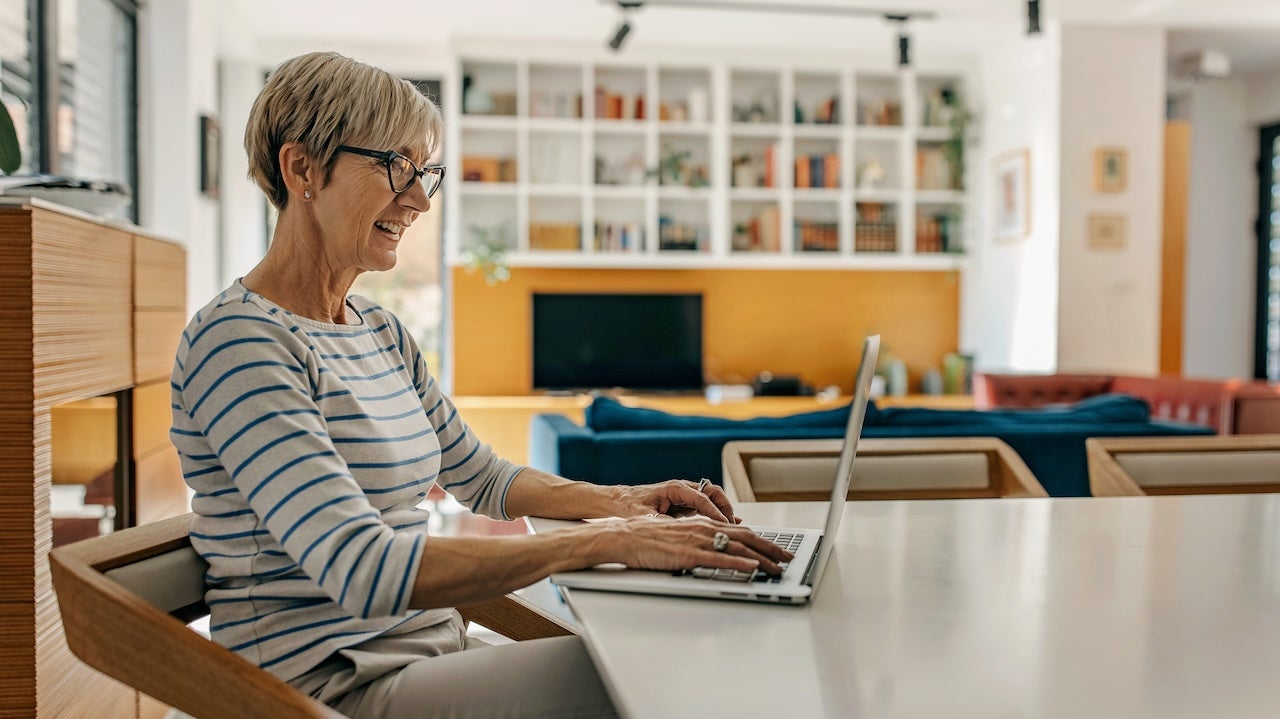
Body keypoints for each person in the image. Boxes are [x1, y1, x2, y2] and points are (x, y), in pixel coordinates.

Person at [169, 51, 791, 719]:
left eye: (424, 173)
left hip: (435, 652)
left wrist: (625, 501)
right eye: (395, 168)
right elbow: (362, 566)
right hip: (328, 689)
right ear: (303, 169)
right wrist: (607, 538)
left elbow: (484, 477)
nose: (417, 199)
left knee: (666, 646)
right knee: (649, 677)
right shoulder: (239, 343)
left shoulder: (378, 329)